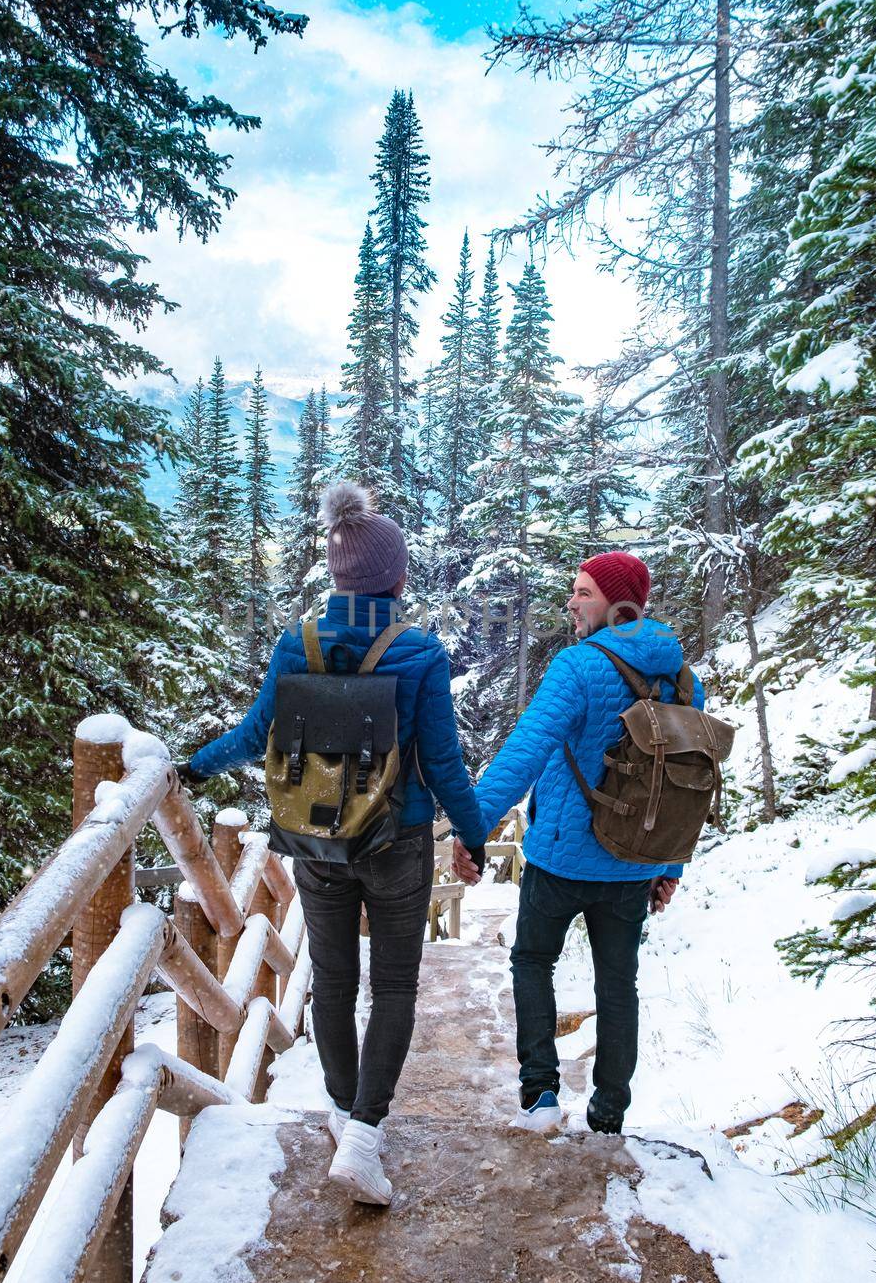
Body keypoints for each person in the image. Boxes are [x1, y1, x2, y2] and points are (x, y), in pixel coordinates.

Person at [181, 482, 487, 1205]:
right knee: (393, 987)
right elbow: (442, 765)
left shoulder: (300, 643)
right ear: (396, 576)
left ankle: (346, 1112)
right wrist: (472, 837)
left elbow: (255, 738)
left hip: (316, 843)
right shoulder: (417, 654)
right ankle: (364, 1134)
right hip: (398, 843)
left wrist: (193, 764)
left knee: (334, 981)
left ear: (337, 572)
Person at [453, 551, 703, 1136]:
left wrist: (472, 826)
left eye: (583, 592)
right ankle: (609, 1111)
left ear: (618, 604)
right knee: (618, 984)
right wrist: (669, 866)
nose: (572, 602)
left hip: (561, 859)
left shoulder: (578, 668)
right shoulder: (683, 678)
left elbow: (524, 751)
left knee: (532, 961)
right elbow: (682, 788)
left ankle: (540, 1094)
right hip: (632, 866)